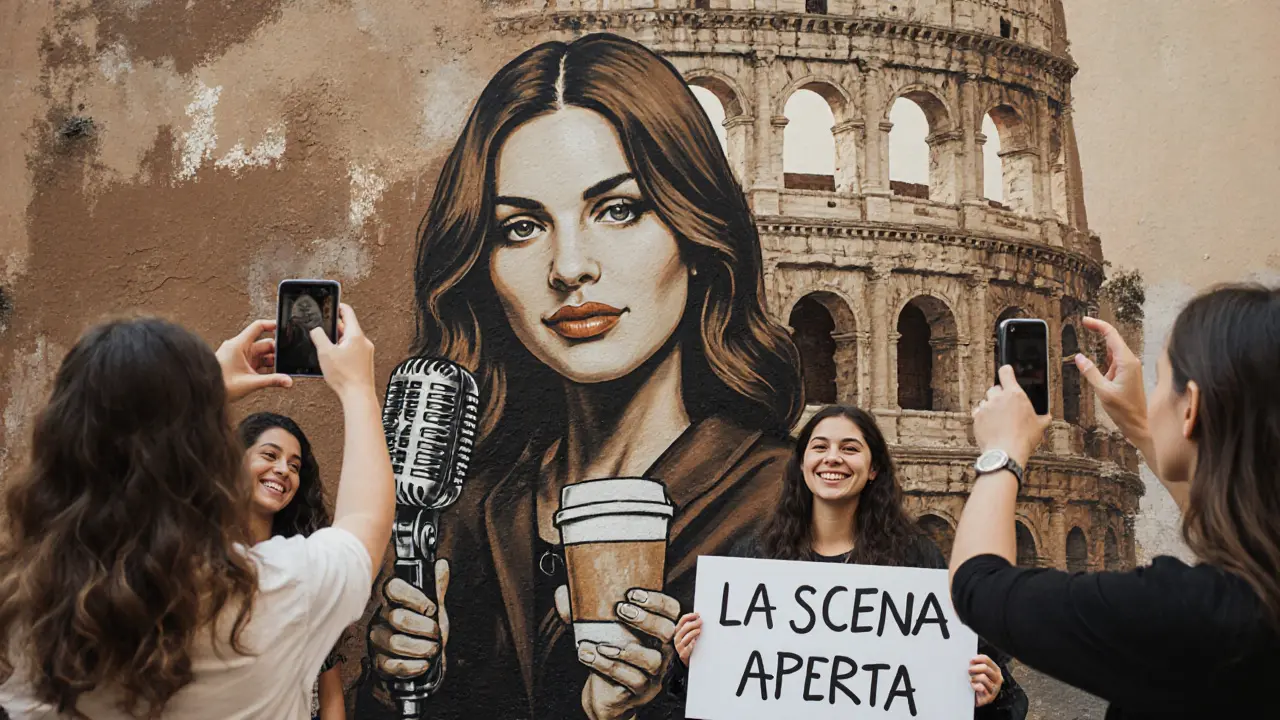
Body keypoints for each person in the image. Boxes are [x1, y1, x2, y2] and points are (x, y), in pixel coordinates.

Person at [356, 32, 804, 720]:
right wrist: (398, 689)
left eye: (619, 210)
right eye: (521, 227)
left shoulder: (785, 506)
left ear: (696, 234)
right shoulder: (461, 510)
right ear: (484, 267)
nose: (570, 267)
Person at [0, 305, 393, 719]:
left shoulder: (23, 612)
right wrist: (357, 387)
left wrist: (193, 400)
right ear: (221, 457)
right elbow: (366, 522)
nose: (282, 470)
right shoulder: (271, 597)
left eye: (294, 465)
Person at [949, 284, 1280, 717]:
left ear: (1191, 407)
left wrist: (1003, 451)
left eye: (1160, 382)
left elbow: (978, 585)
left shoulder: (1191, 614)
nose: (1151, 394)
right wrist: (1140, 425)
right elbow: (1232, 529)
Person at [672, 405, 1028, 718]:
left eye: (850, 448)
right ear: (801, 464)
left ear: (873, 469)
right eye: (820, 447)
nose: (832, 458)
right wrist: (695, 665)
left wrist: (989, 693)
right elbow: (723, 697)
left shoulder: (915, 558)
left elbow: (967, 682)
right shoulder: (755, 555)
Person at [237, 412, 348, 720]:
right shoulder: (198, 559)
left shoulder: (308, 567)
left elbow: (330, 692)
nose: (283, 470)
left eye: (295, 466)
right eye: (270, 455)